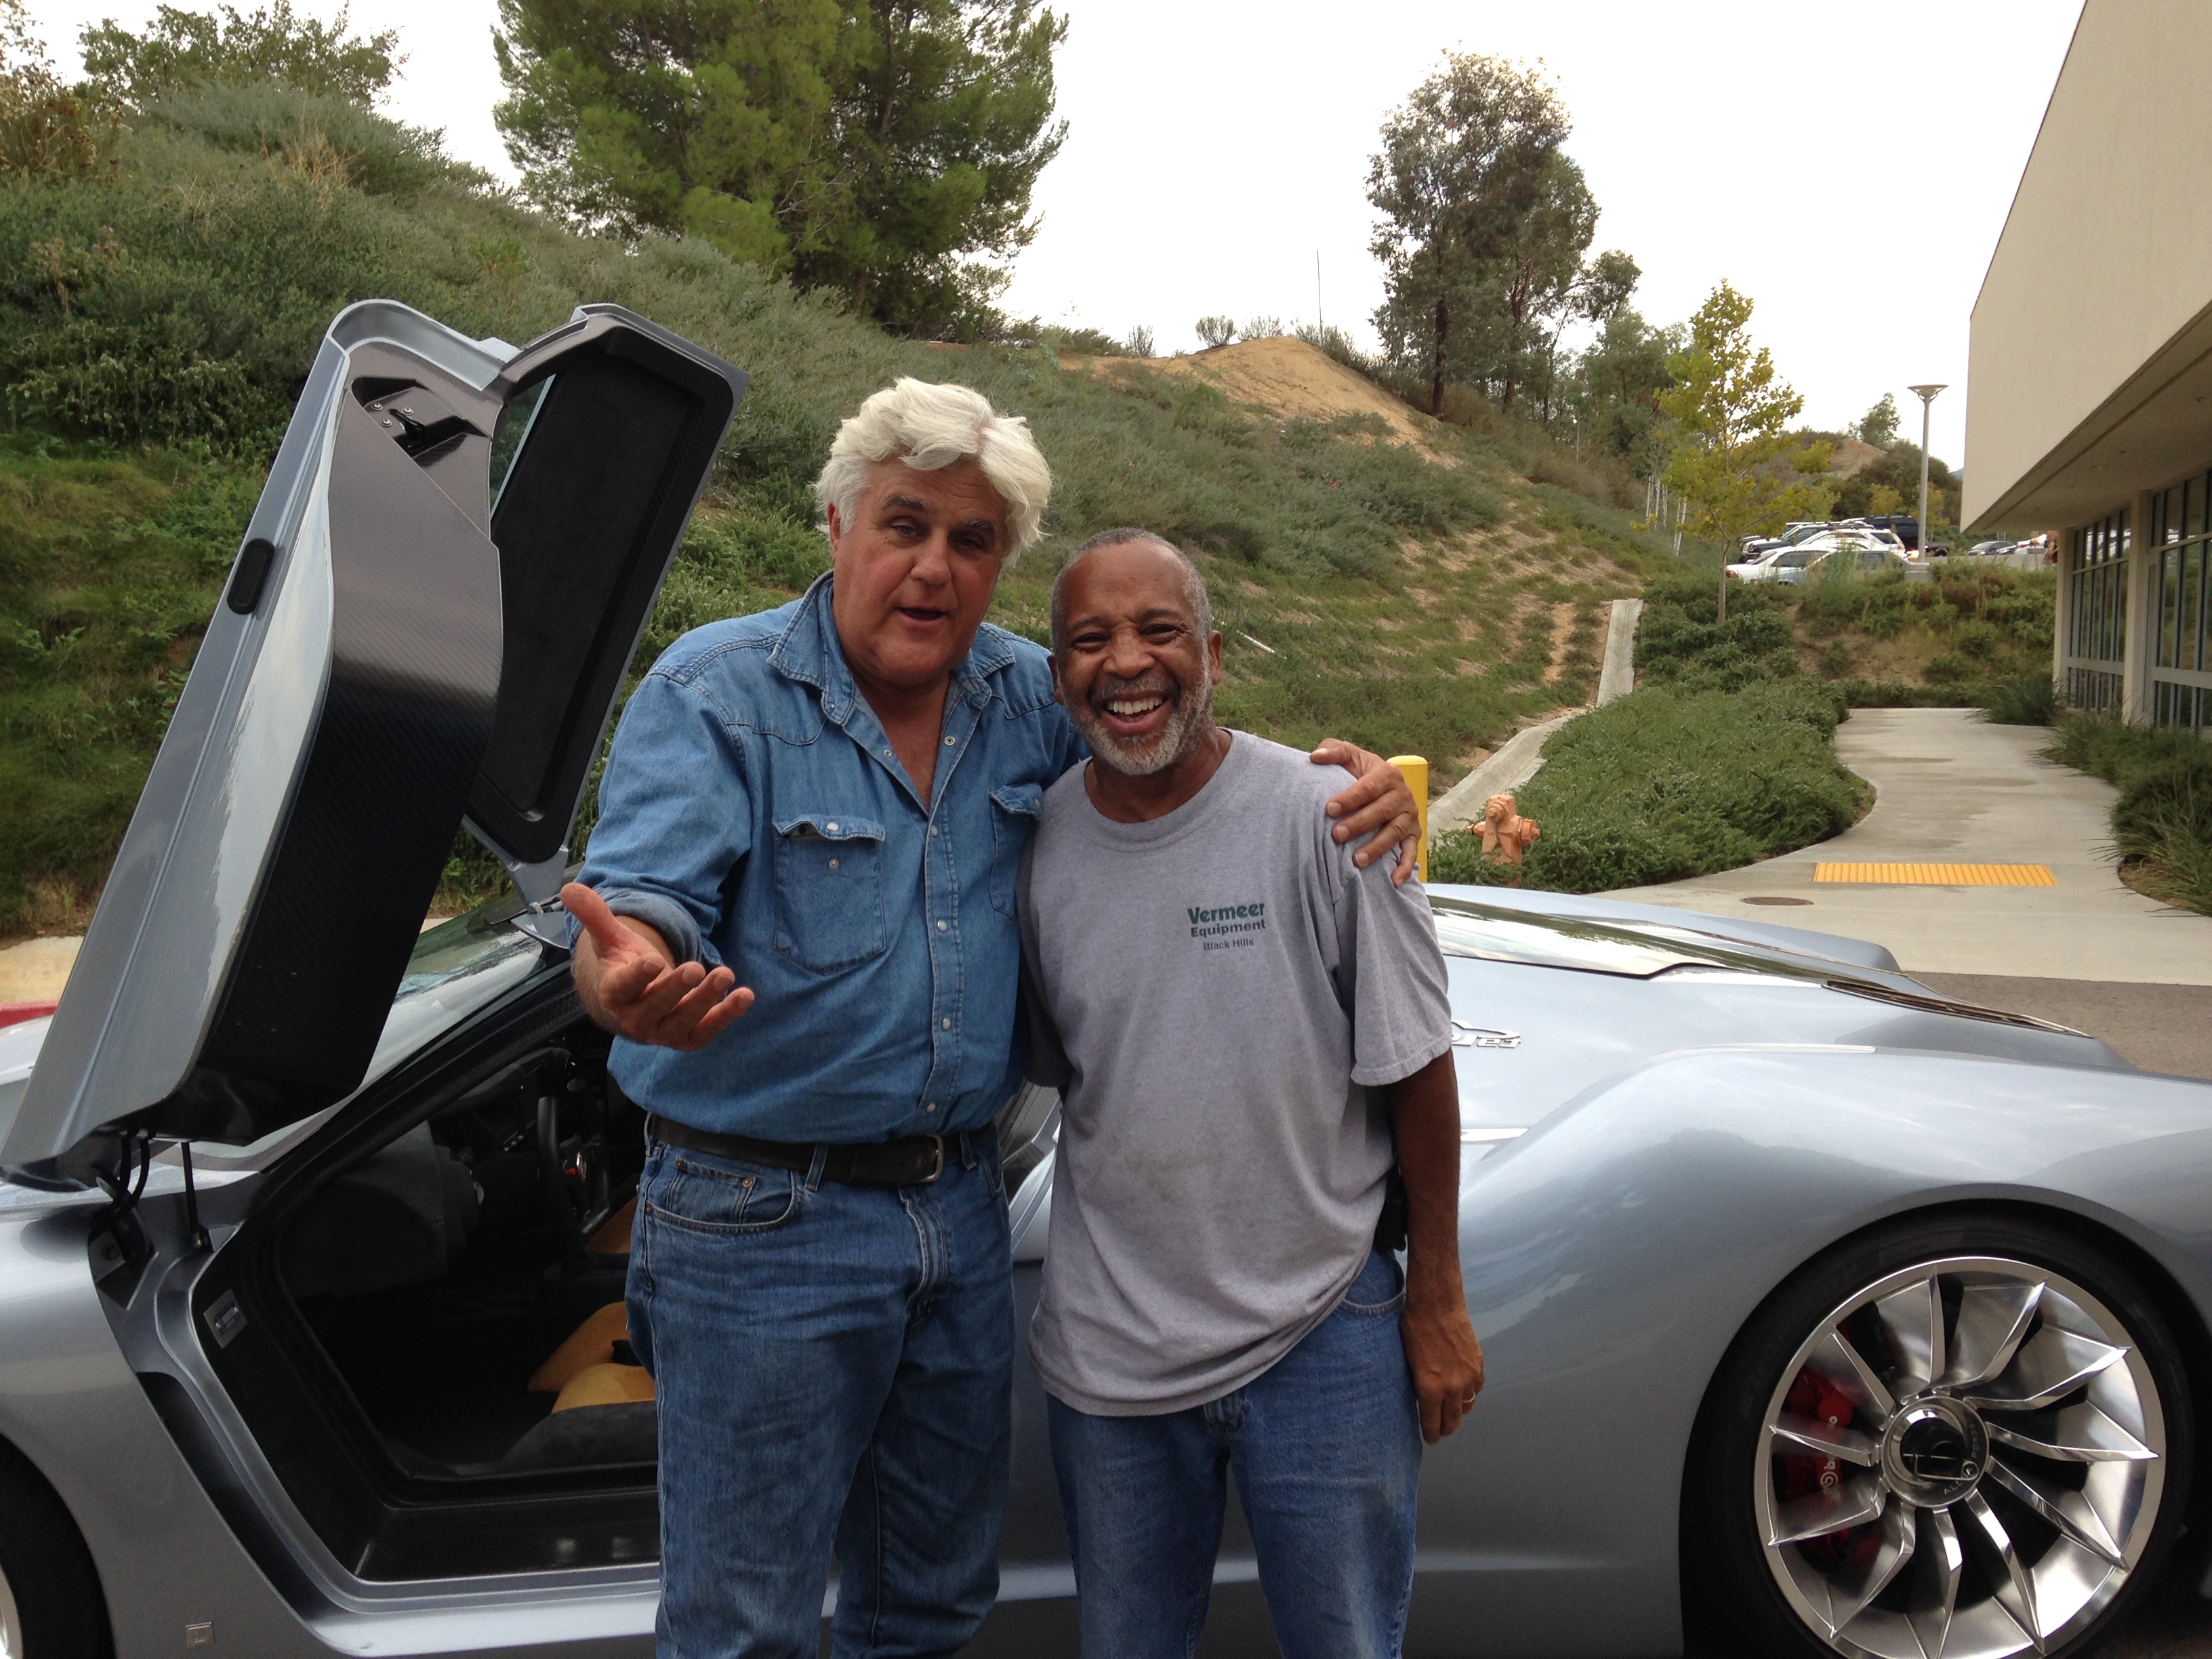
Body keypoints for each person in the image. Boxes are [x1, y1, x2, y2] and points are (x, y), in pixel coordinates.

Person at [558, 379, 1422, 1659]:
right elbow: (636, 910)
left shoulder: (1028, 697)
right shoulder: (720, 692)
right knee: (744, 1628)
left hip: (960, 1222)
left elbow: (1171, 744)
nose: (933, 568)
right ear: (838, 525)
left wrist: (1350, 790)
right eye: (904, 525)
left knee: (930, 1607)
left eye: (972, 543)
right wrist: (623, 977)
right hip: (758, 1227)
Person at [1018, 527, 1485, 1659]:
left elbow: (1419, 1066)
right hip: (1111, 1356)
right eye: (1091, 640)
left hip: (1323, 1333)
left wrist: (1436, 1294)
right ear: (1056, 677)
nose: (1126, 663)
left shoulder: (1328, 813)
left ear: (1213, 651)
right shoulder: (1033, 846)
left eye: (1159, 630)